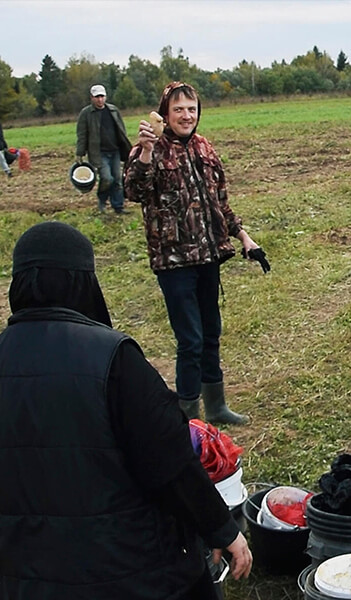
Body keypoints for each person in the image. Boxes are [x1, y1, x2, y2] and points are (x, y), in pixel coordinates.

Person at [0, 221, 252, 600]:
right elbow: (170, 462)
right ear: (82, 282)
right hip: (129, 573)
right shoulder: (112, 359)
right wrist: (221, 529)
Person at [125, 81, 268, 425]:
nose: (186, 116)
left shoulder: (204, 148)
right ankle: (188, 418)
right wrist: (145, 152)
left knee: (210, 333)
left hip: (208, 258)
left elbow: (220, 203)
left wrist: (244, 237)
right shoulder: (151, 149)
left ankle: (216, 408)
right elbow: (134, 191)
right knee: (190, 340)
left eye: (191, 109)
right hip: (173, 262)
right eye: (178, 110)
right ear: (164, 114)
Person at [76, 84, 132, 213]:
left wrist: (126, 148)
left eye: (102, 96)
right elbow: (82, 135)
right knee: (107, 178)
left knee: (117, 180)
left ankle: (118, 207)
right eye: (97, 97)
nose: (100, 100)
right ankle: (102, 199)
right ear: (91, 98)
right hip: (99, 153)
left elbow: (121, 131)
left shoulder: (113, 110)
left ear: (105, 97)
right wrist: (80, 153)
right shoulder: (86, 114)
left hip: (115, 150)